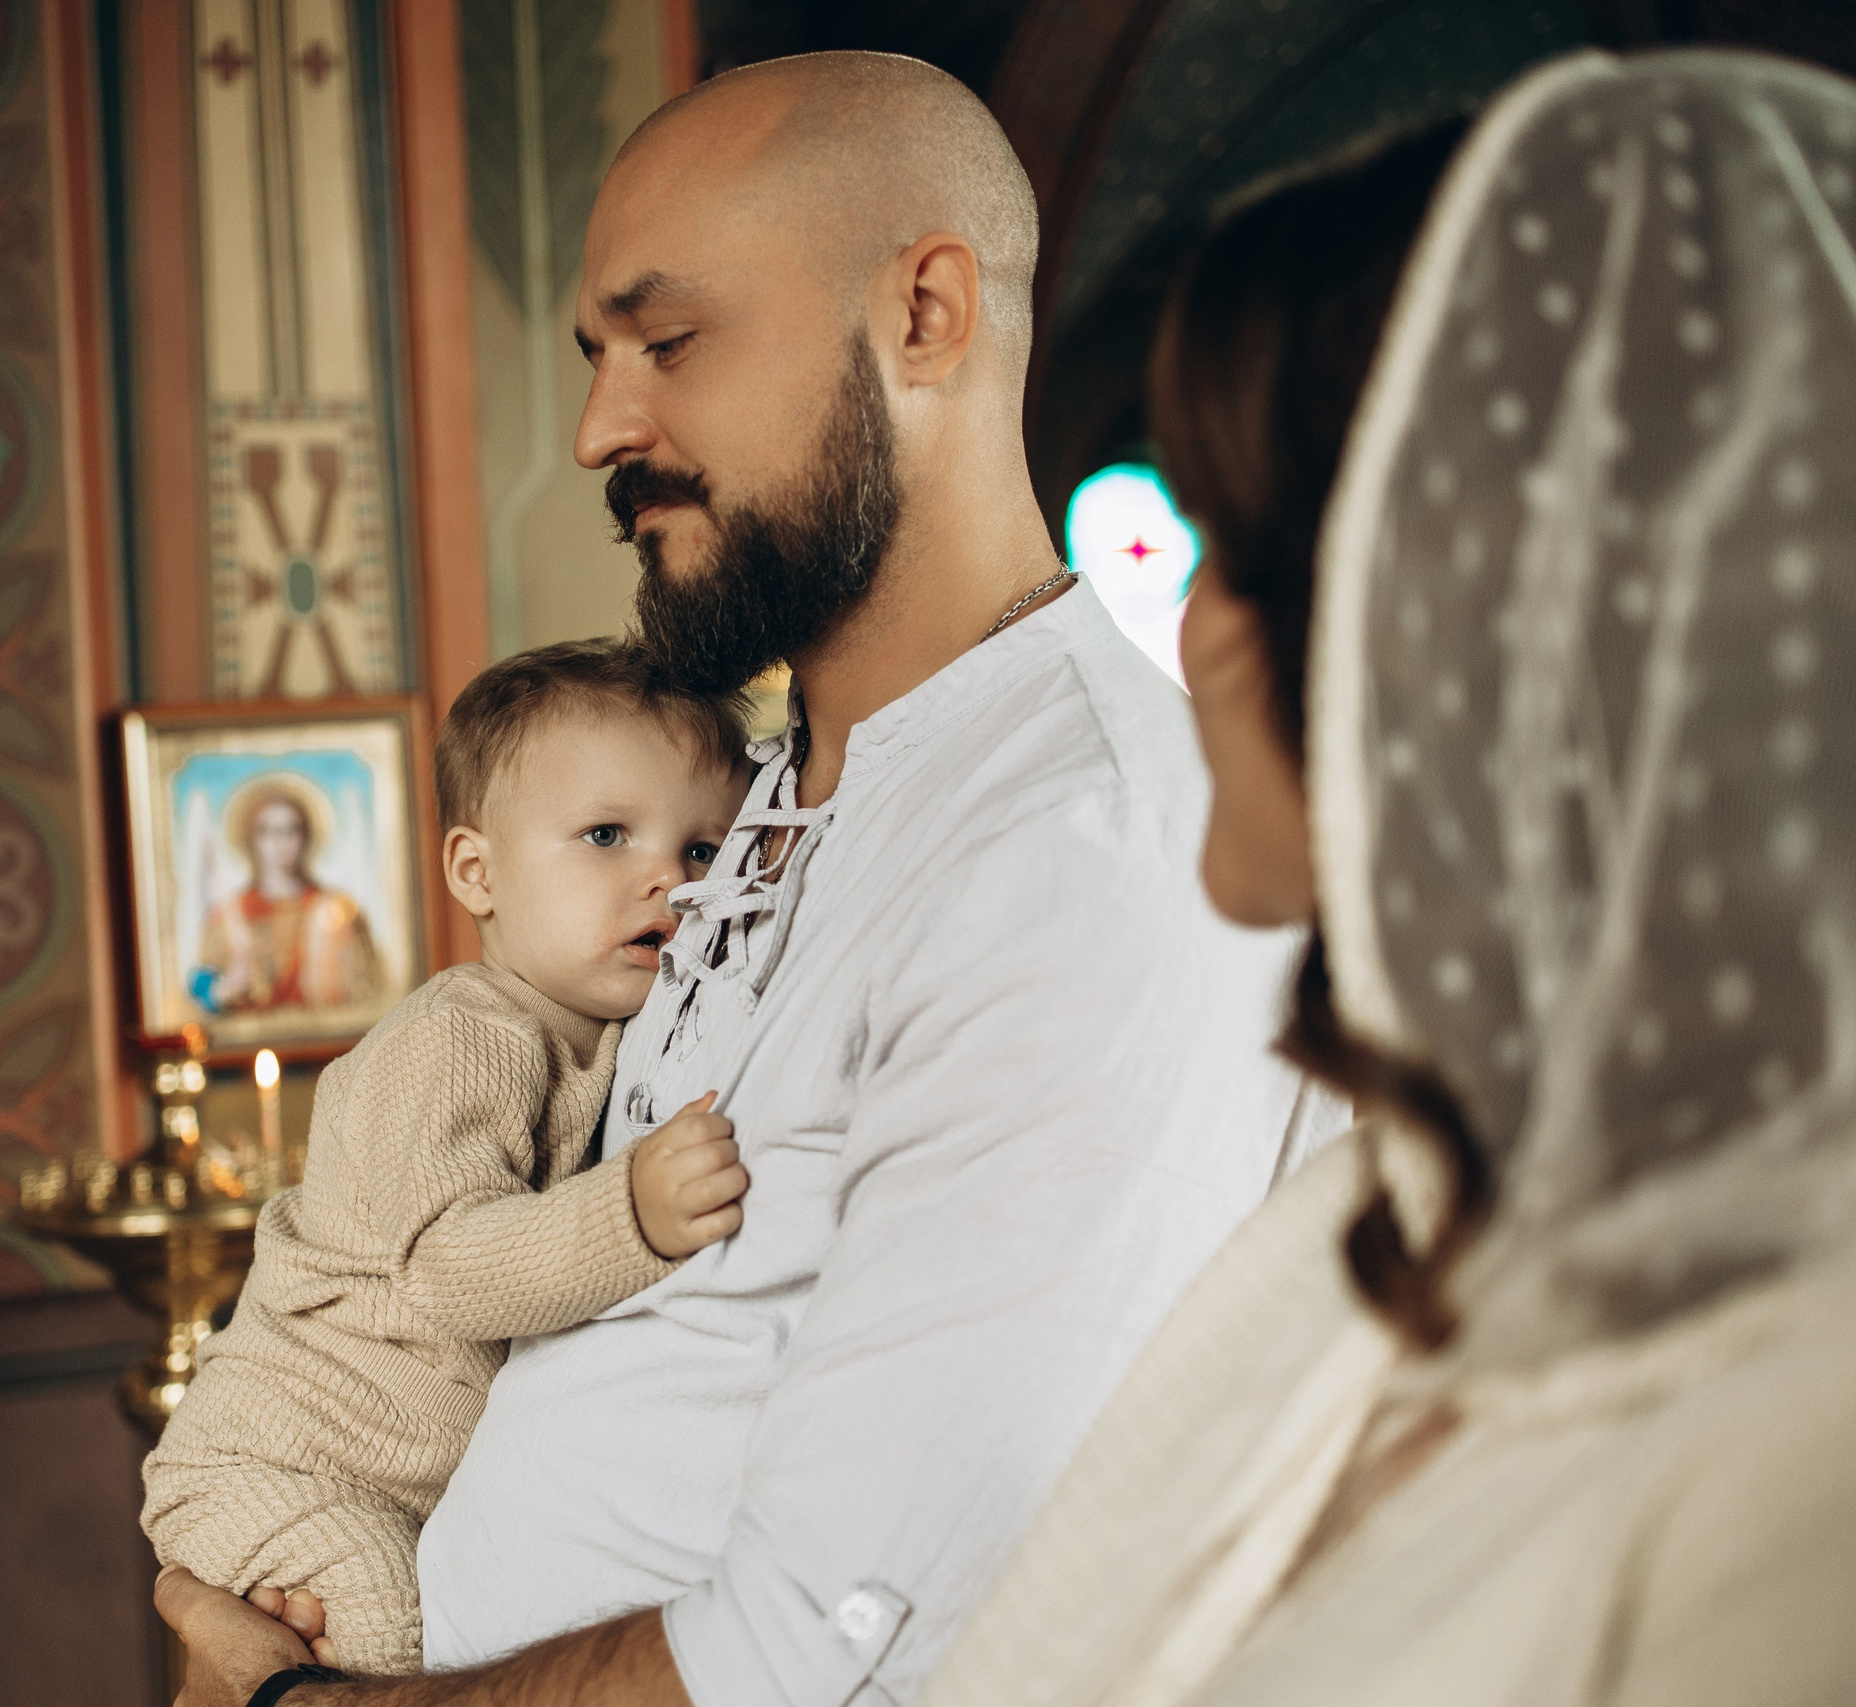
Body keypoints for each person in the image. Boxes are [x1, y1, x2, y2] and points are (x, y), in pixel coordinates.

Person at [156, 50, 1330, 1706]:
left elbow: (844, 1639)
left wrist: (298, 1705)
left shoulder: (1076, 844)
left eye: (670, 342)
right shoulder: (749, 799)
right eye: (595, 356)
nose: (597, 429)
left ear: (924, 315)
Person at [924, 47, 1856, 1705]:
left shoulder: (1805, 1453)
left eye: (1233, 538)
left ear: (1445, 619)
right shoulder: (1374, 1222)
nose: (1189, 623)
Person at [144, 641, 754, 1674]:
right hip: (285, 1462)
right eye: (606, 835)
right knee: (390, 1636)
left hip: (390, 1477)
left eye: (702, 848)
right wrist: (633, 1215)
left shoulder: (606, 1033)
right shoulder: (460, 1036)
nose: (668, 877)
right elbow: (449, 1268)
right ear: (477, 872)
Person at [192, 779, 382, 1015]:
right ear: (252, 840)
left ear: (306, 836)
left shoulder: (336, 909)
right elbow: (200, 987)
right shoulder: (227, 914)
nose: (279, 842)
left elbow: (370, 983)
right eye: (267, 831)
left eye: (290, 830)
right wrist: (224, 988)